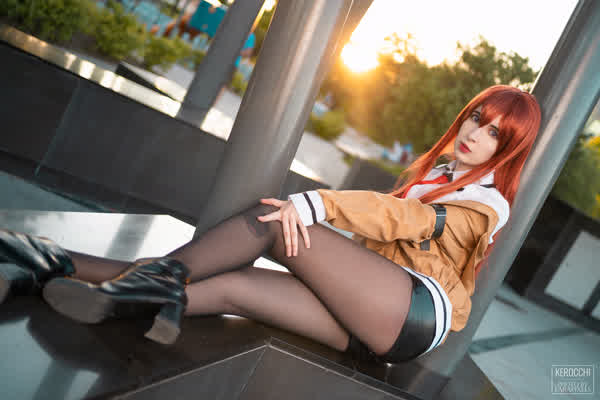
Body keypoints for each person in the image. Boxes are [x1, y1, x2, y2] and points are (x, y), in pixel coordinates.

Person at [0, 85, 541, 363]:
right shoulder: (441, 175)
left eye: (494, 133)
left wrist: (316, 205)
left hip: (413, 314)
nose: (476, 134)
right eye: (477, 118)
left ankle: (122, 280)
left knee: (274, 221)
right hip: (374, 326)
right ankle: (51, 267)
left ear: (508, 149)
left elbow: (403, 217)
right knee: (233, 287)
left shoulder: (482, 206)